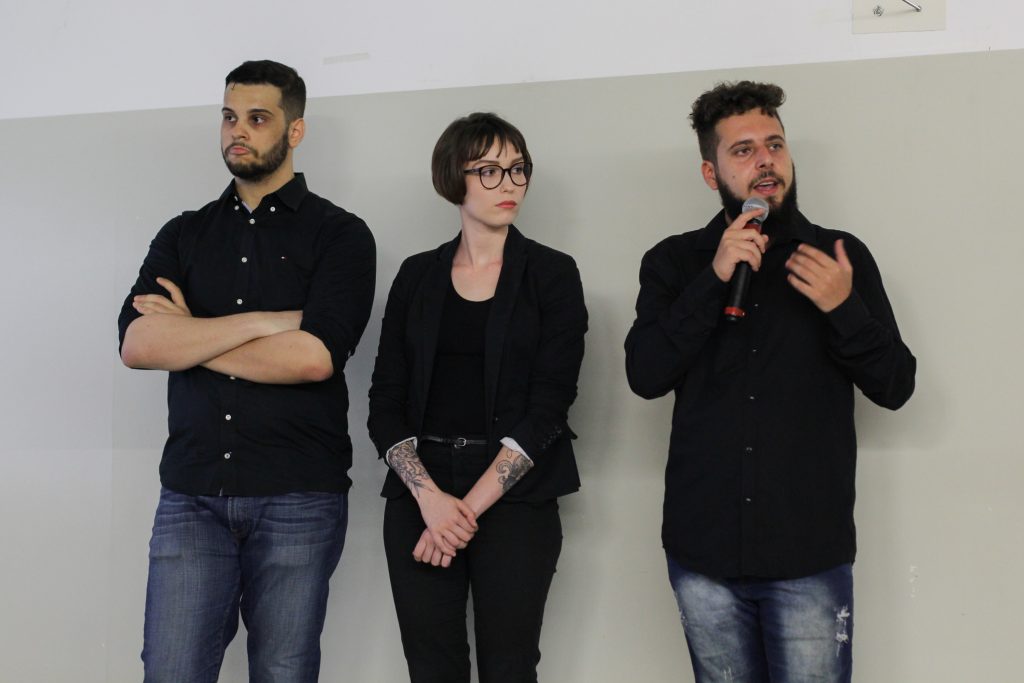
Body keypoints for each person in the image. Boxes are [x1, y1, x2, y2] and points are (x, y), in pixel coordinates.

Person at [624, 81, 916, 682]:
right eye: (744, 150)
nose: (765, 161)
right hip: (704, 552)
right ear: (711, 173)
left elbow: (896, 386)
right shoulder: (675, 262)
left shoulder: (839, 256)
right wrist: (713, 280)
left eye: (775, 145)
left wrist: (844, 308)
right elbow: (644, 375)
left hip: (807, 551)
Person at [118, 60, 375, 682]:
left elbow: (313, 358)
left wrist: (190, 334)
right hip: (192, 494)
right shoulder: (183, 234)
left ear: (296, 130)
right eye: (230, 117)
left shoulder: (340, 235)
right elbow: (138, 343)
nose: (239, 130)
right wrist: (268, 322)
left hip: (298, 496)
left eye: (258, 118)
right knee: (170, 671)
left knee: (284, 673)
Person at [368, 112, 587, 683]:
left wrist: (463, 510)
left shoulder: (553, 274)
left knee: (510, 667)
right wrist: (432, 501)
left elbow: (549, 406)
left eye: (518, 168)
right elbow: (384, 401)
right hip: (421, 492)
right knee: (431, 667)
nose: (509, 183)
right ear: (453, 178)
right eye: (488, 170)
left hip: (516, 495)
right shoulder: (416, 276)